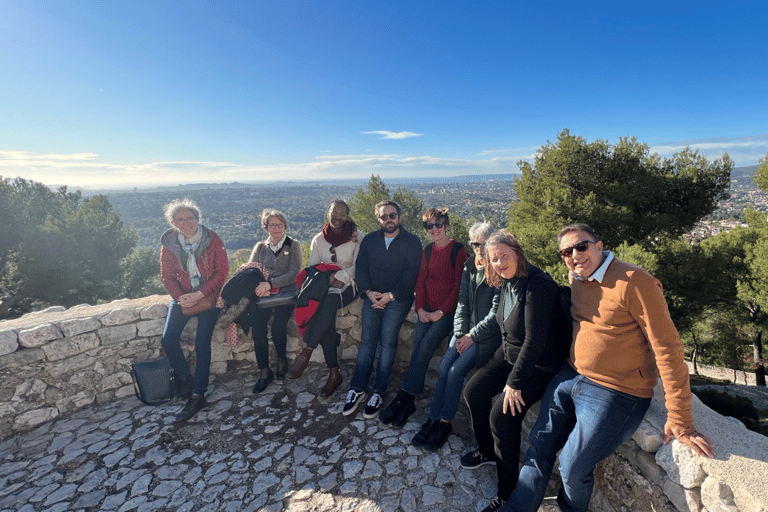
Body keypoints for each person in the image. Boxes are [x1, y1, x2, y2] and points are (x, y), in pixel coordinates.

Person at [502, 223, 715, 512]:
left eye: (581, 246)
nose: (575, 255)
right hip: (571, 374)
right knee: (539, 444)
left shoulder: (636, 282)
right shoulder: (577, 277)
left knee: (572, 466)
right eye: (566, 251)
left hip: (617, 390)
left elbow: (668, 348)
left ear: (599, 245)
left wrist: (680, 417)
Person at [462, 231, 571, 512]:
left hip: (536, 365)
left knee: (501, 418)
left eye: (504, 256)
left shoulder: (538, 286)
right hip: (510, 353)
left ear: (517, 253)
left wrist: (514, 382)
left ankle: (506, 493)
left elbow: (534, 341)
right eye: (494, 259)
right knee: (473, 392)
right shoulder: (506, 282)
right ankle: (487, 451)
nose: (499, 263)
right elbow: (508, 328)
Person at [410, 221, 501, 451]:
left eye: (483, 243)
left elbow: (495, 314)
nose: (478, 248)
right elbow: (462, 304)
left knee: (455, 372)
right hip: (464, 332)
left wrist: (471, 336)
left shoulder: (499, 271)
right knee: (442, 369)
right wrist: (460, 333)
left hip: (484, 337)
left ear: (492, 242)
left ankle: (444, 422)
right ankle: (432, 417)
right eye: (474, 243)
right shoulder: (470, 266)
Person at [379, 207, 468, 432]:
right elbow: (421, 280)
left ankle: (403, 396)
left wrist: (440, 312)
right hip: (425, 308)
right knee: (419, 346)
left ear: (447, 226)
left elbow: (459, 286)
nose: (434, 229)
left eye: (438, 225)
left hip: (446, 312)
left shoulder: (458, 251)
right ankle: (408, 401)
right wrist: (419, 308)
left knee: (425, 346)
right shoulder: (427, 251)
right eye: (429, 226)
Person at [342, 200, 422, 418]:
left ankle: (378, 391)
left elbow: (411, 274)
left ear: (399, 216)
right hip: (372, 296)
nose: (389, 220)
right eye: (384, 216)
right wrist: (368, 293)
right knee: (367, 341)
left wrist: (390, 296)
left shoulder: (412, 242)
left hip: (397, 299)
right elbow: (362, 269)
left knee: (387, 342)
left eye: (392, 215)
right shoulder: (370, 241)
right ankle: (357, 388)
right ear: (378, 219)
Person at [287, 199, 364, 398]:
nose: (337, 217)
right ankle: (334, 373)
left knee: (327, 304)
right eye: (334, 213)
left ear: (347, 216)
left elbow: (359, 266)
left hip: (350, 284)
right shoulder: (318, 240)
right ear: (327, 213)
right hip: (326, 285)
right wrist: (328, 279)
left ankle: (307, 351)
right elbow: (313, 268)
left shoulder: (357, 237)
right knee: (325, 316)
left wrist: (339, 276)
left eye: (342, 214)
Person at [159, 199, 228, 422]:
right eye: (180, 219)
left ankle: (198, 393)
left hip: (208, 297)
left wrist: (200, 294)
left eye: (190, 218)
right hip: (183, 297)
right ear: (173, 223)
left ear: (198, 219)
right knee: (168, 339)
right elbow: (167, 276)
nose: (186, 222)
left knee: (201, 343)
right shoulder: (169, 244)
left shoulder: (212, 239)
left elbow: (221, 272)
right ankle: (185, 380)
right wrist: (180, 298)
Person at [248, 209, 303, 393]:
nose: (277, 228)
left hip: (286, 293)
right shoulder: (260, 247)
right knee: (258, 328)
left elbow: (294, 273)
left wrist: (270, 283)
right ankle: (264, 371)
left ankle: (281, 361)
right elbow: (252, 270)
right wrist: (259, 286)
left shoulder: (293, 245)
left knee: (278, 326)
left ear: (285, 225)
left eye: (280, 224)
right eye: (272, 224)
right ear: (266, 227)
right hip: (264, 295)